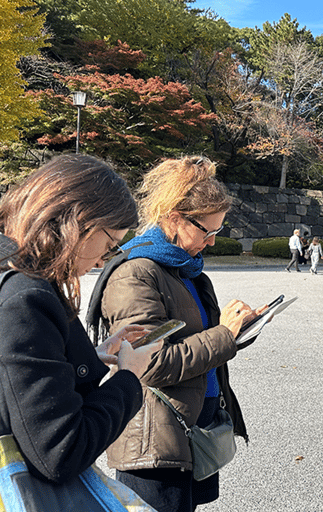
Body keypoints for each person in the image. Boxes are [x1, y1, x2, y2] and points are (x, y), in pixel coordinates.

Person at [86, 156, 261, 512]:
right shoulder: (135, 272)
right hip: (155, 441)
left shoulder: (187, 269)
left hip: (193, 431)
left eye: (217, 232)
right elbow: (151, 363)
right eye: (206, 231)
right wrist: (224, 334)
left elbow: (204, 339)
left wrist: (239, 327)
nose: (211, 242)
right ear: (174, 217)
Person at [0, 155, 159, 487]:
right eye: (110, 244)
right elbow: (61, 453)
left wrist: (85, 357)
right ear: (79, 222)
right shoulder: (27, 298)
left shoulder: (10, 267)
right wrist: (129, 377)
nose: (103, 259)